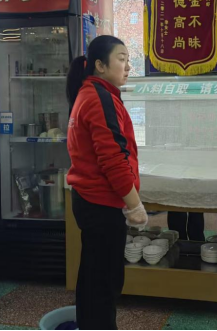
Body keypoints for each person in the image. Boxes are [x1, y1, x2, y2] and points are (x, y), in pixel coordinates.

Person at [67, 35, 148, 330]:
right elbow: (113, 158)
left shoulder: (93, 93)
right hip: (100, 203)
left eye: (128, 60)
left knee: (94, 276)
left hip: (91, 200)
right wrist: (134, 205)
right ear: (100, 65)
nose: (127, 66)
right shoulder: (99, 97)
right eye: (121, 59)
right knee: (104, 282)